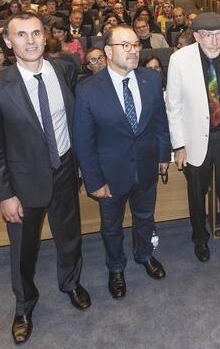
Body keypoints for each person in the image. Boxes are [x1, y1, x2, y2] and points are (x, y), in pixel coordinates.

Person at [0, 12, 89, 344]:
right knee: (24, 250)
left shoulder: (65, 68)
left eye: (36, 33)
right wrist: (4, 195)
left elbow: (76, 118)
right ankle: (24, 305)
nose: (30, 41)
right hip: (22, 183)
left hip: (65, 170)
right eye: (22, 35)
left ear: (46, 37)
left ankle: (70, 282)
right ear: (9, 42)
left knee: (69, 235)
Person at [74, 25, 171, 299]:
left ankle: (144, 254)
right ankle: (116, 267)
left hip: (146, 166)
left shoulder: (151, 80)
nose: (133, 50)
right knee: (112, 226)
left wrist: (163, 155)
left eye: (136, 45)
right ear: (108, 51)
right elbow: (84, 141)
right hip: (109, 175)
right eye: (125, 45)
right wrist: (94, 181)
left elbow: (160, 122)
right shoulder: (88, 90)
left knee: (145, 217)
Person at [165, 12, 220, 262]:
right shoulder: (179, 60)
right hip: (194, 139)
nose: (215, 42)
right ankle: (200, 238)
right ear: (196, 36)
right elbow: (174, 106)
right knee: (196, 193)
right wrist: (179, 145)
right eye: (208, 36)